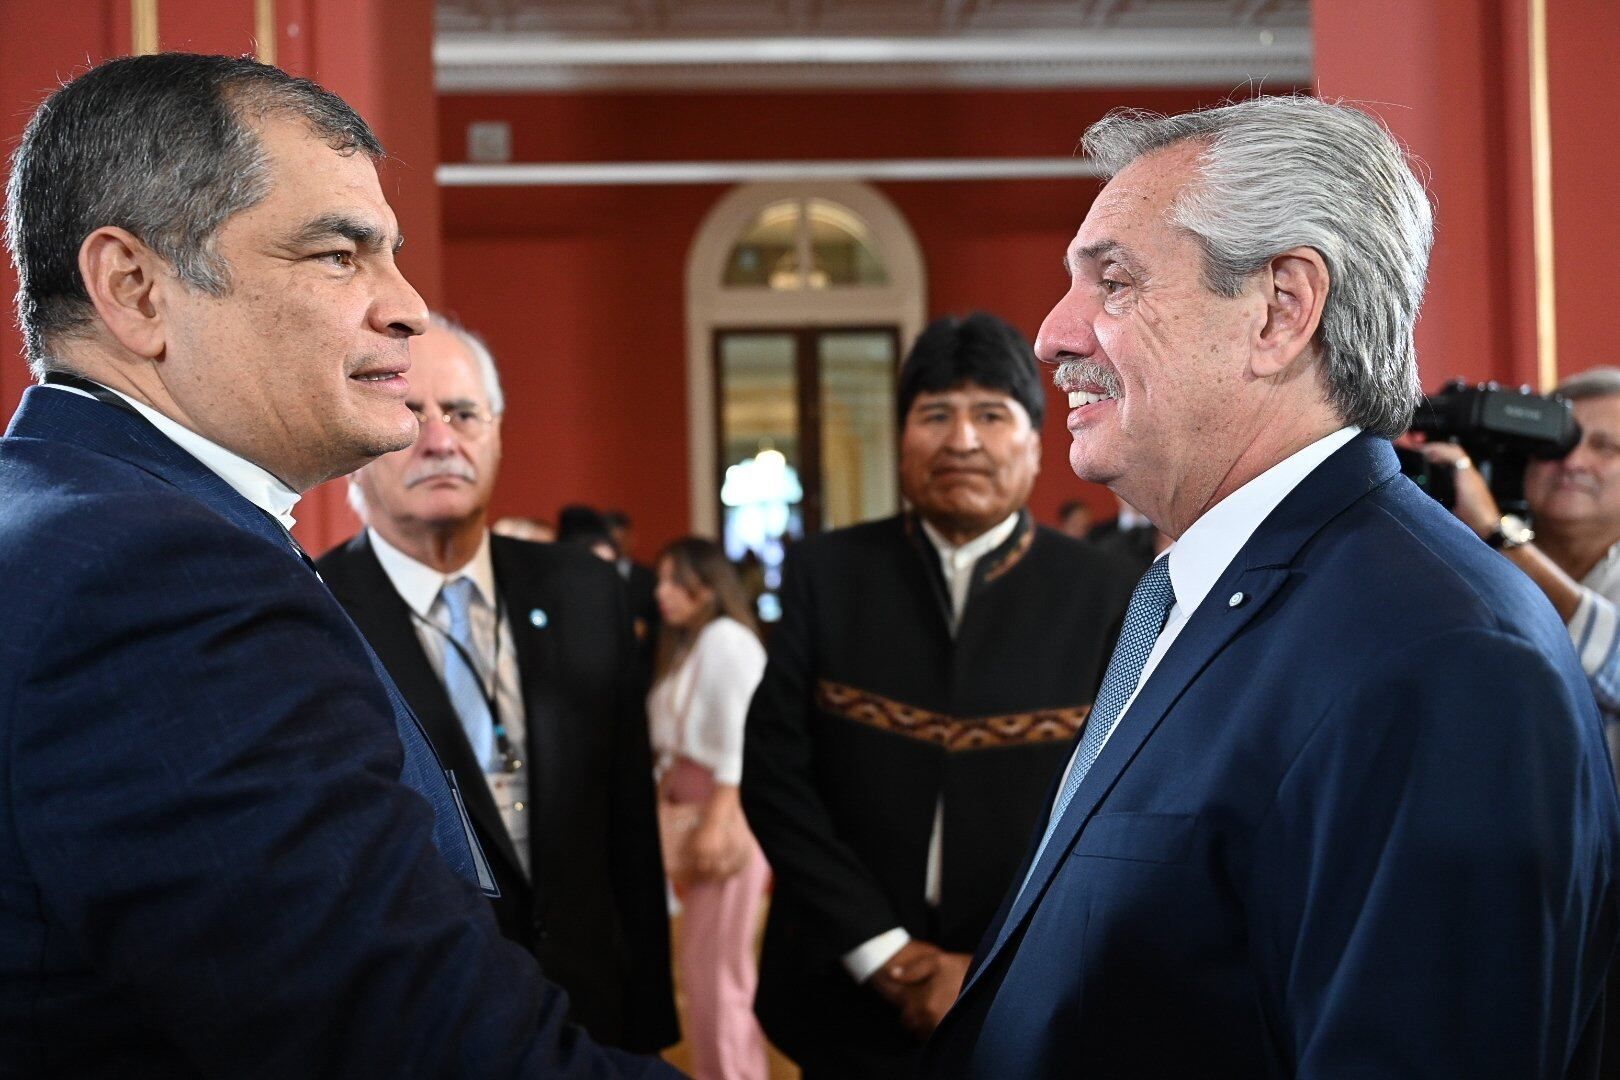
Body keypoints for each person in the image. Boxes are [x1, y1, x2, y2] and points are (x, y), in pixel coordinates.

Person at [0, 53, 678, 1078]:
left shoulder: (64, 505)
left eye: (392, 255)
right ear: (134, 288)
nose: (407, 306)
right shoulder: (155, 574)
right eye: (337, 255)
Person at [922, 96, 1620, 1079]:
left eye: (1112, 281)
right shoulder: (1209, 588)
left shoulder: (1445, 660)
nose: (1051, 334)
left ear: (1282, 310)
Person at [741, 311, 1134, 1079]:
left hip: (1034, 1001)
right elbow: (775, 780)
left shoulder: (1109, 595)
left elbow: (1113, 814)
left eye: (992, 414)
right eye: (935, 415)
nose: (962, 441)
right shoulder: (829, 576)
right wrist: (886, 955)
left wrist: (984, 966)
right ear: (901, 439)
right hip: (842, 994)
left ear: (1035, 439)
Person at [316, 315, 679, 1053]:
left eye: (463, 413)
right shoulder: (315, 615)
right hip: (421, 1027)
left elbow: (627, 826)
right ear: (358, 448)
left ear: (499, 431)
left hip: (590, 1011)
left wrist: (648, 1019)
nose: (441, 440)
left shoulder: (586, 592)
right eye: (411, 413)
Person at [1421, 367, 1620, 778]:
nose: (1573, 461)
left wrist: (1498, 535)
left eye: (1607, 447)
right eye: (1557, 442)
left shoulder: (1494, 544)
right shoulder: (1473, 562)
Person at [647, 539, 772, 1080]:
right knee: (703, 976)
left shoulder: (726, 641)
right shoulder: (693, 642)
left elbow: (743, 740)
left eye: (675, 580)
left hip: (722, 814)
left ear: (706, 583)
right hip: (698, 810)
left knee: (719, 979)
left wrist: (719, 821)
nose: (662, 593)